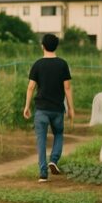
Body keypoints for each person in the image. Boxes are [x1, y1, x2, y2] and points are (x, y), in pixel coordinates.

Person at [22, 33, 74, 182]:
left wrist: (27, 106)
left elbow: (31, 87)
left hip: (41, 109)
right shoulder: (63, 64)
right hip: (57, 109)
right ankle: (54, 160)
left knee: (41, 140)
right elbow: (67, 87)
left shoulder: (38, 64)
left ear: (43, 46)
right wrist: (71, 108)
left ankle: (43, 173)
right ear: (56, 46)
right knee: (58, 134)